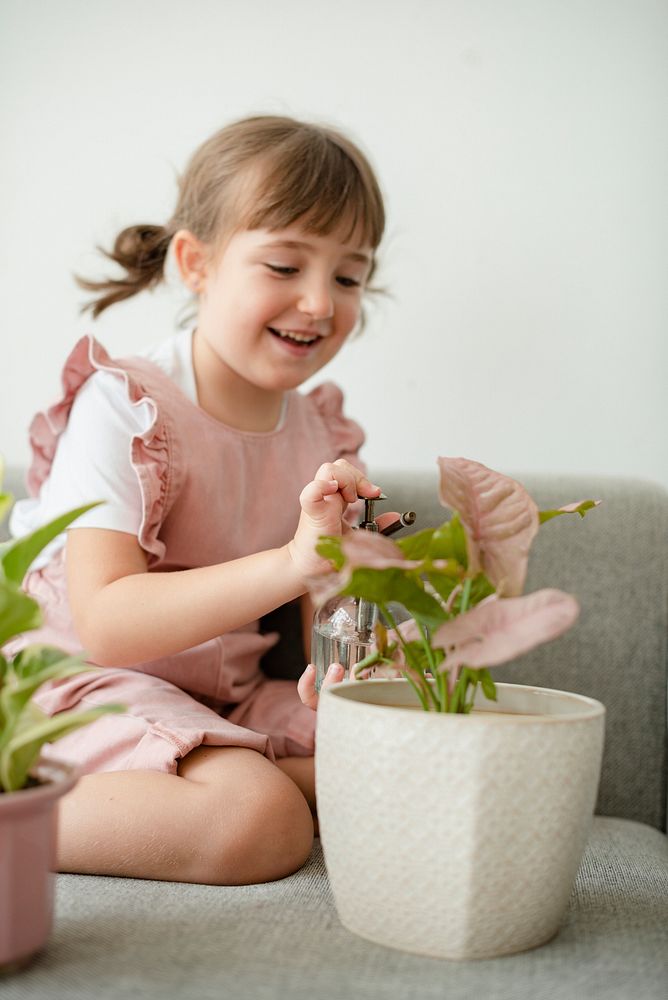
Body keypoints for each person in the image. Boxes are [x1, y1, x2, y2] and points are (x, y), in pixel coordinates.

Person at [9, 114, 395, 886]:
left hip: (222, 701)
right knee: (261, 821)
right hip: (81, 684)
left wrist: (359, 649)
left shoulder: (322, 432)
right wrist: (293, 561)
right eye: (285, 266)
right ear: (196, 263)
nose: (320, 302)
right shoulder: (127, 406)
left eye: (349, 276)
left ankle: (220, 782)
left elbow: (333, 616)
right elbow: (110, 624)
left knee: (405, 765)